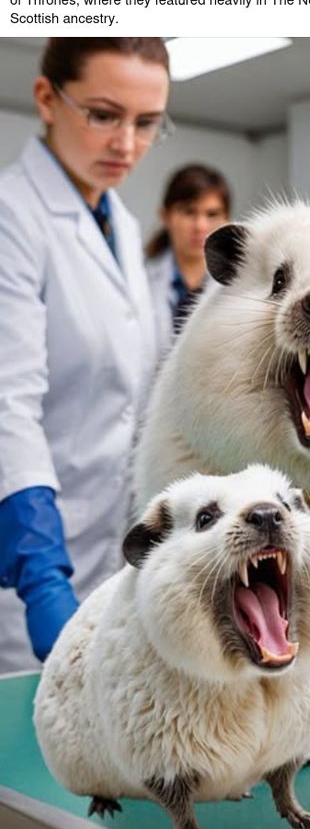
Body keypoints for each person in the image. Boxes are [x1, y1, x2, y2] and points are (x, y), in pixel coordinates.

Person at [0, 37, 172, 673]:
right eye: (103, 114)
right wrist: (41, 573)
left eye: (147, 122)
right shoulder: (11, 215)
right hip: (25, 570)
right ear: (47, 98)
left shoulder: (122, 227)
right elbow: (6, 403)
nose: (126, 143)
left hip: (109, 556)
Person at [145, 164, 231, 354]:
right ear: (165, 216)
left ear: (226, 220)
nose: (200, 225)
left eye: (212, 214)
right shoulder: (140, 282)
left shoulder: (238, 287)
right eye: (188, 212)